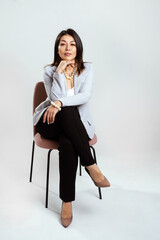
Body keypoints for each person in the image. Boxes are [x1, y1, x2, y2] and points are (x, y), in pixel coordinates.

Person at [33, 28, 110, 228]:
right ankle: (91, 166)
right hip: (50, 122)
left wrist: (59, 104)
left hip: (75, 126)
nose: (67, 48)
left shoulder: (87, 69)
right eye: (63, 44)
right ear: (57, 49)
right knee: (67, 110)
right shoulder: (50, 71)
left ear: (78, 47)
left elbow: (85, 96)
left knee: (68, 144)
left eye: (72, 44)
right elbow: (53, 98)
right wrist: (59, 74)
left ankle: (66, 202)